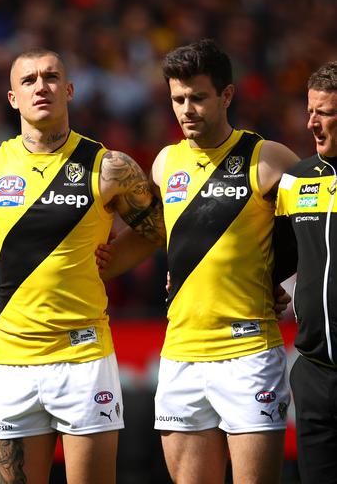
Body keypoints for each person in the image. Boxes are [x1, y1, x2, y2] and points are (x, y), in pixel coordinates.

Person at [0, 48, 166, 483]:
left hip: (83, 357)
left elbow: (156, 229)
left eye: (50, 77)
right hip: (13, 360)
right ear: (13, 98)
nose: (40, 86)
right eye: (28, 80)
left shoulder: (109, 166)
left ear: (68, 90)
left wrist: (111, 262)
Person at [101, 39, 299, 484]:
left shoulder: (268, 159)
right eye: (177, 99)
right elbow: (157, 233)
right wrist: (99, 259)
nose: (187, 109)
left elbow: (316, 231)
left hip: (249, 354)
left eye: (198, 97)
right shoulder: (165, 163)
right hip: (180, 355)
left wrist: (289, 284)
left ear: (226, 96)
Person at [275, 61, 337, 483]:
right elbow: (273, 260)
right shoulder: (294, 181)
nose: (312, 122)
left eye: (325, 112)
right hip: (315, 374)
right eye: (309, 110)